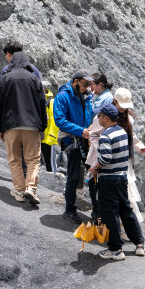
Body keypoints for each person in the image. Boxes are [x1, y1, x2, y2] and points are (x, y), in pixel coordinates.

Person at [89, 104, 145, 260]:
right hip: (121, 177)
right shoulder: (122, 131)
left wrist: (95, 167)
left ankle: (116, 249)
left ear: (106, 118)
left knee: (110, 213)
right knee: (125, 210)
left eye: (99, 116)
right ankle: (139, 243)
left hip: (109, 179)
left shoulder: (106, 136)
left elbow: (105, 158)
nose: (98, 118)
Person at [0, 51, 47, 205]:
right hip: (32, 126)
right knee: (33, 160)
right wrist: (43, 126)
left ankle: (19, 191)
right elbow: (42, 104)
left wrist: (0, 128)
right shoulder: (35, 79)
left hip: (11, 125)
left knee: (15, 160)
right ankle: (31, 188)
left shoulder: (4, 78)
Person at [53, 69, 94, 224]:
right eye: (85, 84)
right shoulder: (63, 96)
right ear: (75, 81)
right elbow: (59, 120)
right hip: (73, 140)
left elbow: (89, 116)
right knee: (74, 175)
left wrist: (89, 128)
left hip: (85, 138)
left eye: (89, 84)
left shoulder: (85, 96)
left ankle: (96, 210)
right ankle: (69, 209)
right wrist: (80, 131)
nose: (87, 87)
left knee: (92, 172)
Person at [41, 85, 60, 173]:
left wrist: (51, 136)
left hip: (49, 137)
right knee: (47, 162)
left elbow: (54, 120)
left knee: (51, 164)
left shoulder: (51, 101)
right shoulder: (41, 101)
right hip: (42, 137)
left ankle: (54, 181)